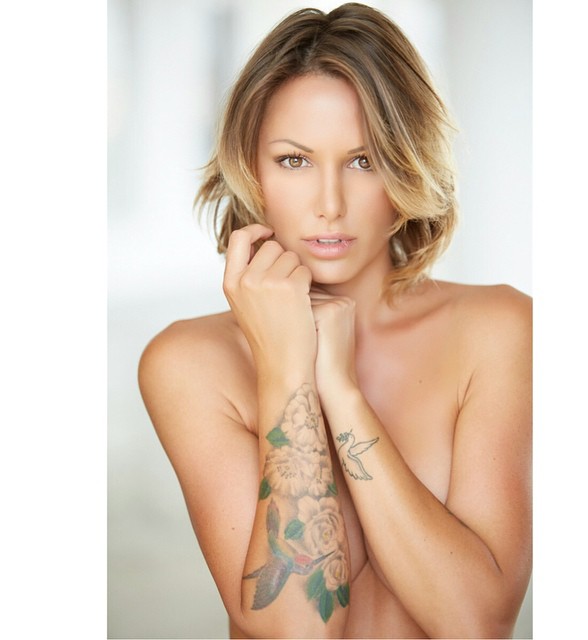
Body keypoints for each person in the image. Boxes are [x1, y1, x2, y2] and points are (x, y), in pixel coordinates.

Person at [138, 3, 532, 638]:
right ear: (250, 169)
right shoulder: (188, 363)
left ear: (408, 165)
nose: (329, 204)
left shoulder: (499, 329)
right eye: (294, 160)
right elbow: (300, 629)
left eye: (364, 160)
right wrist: (286, 367)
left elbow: (475, 623)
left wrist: (341, 391)